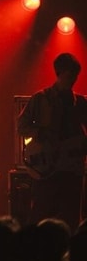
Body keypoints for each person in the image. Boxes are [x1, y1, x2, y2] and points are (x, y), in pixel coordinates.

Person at [17, 52, 87, 232]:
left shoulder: (80, 102)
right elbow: (21, 125)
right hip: (46, 168)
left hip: (71, 168)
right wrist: (41, 134)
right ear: (59, 72)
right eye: (70, 75)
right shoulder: (40, 99)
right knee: (40, 214)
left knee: (70, 217)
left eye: (75, 76)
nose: (73, 80)